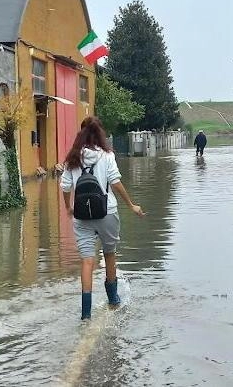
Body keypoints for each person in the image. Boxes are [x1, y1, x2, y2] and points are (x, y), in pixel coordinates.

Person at [60, 116, 145, 320]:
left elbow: (65, 187)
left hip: (81, 216)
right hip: (107, 211)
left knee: (87, 261)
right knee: (109, 253)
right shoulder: (107, 156)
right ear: (100, 134)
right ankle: (113, 299)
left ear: (80, 134)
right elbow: (115, 183)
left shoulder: (72, 158)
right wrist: (131, 205)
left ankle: (86, 314)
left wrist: (68, 207)